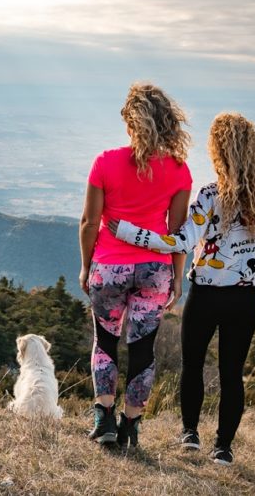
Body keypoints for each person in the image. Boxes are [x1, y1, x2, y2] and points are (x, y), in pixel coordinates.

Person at [109, 112, 255, 466]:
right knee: (233, 374)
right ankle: (224, 447)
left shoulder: (211, 196)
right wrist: (254, 298)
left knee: (193, 365)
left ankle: (190, 435)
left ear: (219, 151)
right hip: (244, 299)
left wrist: (128, 233)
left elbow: (180, 241)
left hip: (205, 295)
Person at [79, 83, 192, 448]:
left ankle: (104, 419)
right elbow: (176, 233)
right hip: (155, 271)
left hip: (108, 268)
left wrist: (86, 267)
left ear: (131, 123)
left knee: (106, 341)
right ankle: (131, 425)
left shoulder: (105, 162)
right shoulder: (178, 169)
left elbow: (89, 223)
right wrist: (177, 277)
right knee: (143, 349)